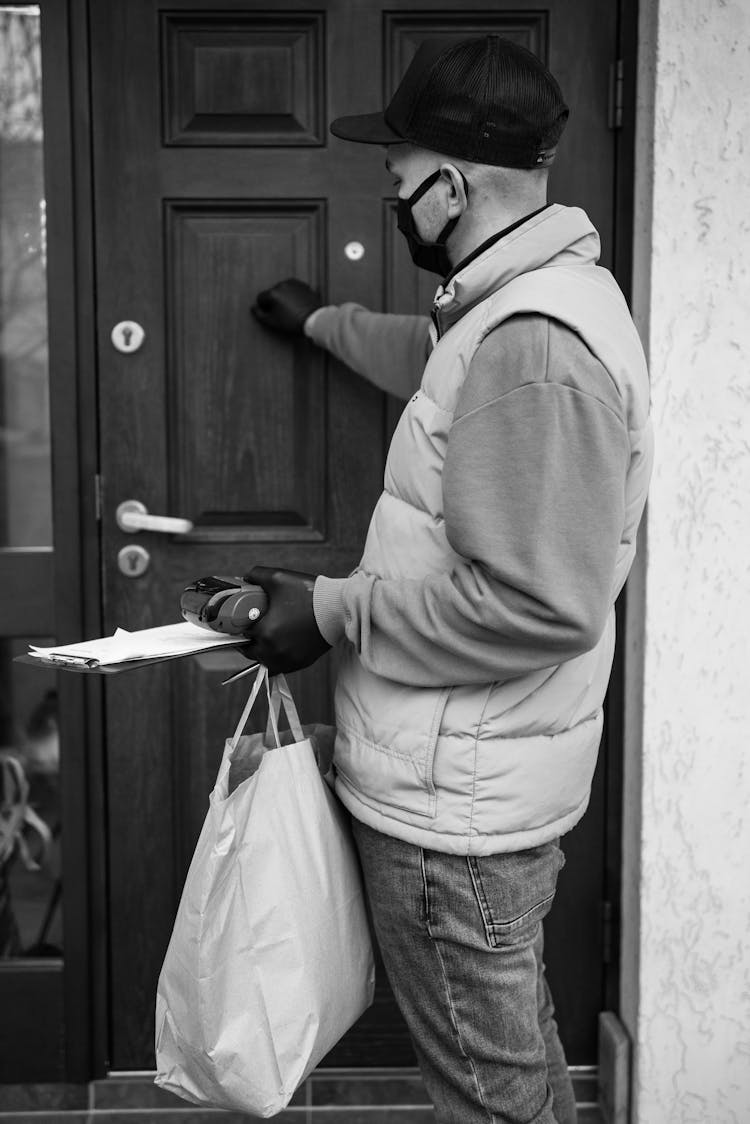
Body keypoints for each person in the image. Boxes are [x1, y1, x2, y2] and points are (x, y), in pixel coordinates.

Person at [243, 35, 653, 1124]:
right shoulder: (519, 301)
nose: (394, 201)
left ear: (452, 184)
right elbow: (439, 370)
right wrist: (325, 324)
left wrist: (329, 609)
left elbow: (537, 606)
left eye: (397, 182)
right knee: (504, 1072)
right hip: (467, 785)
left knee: (493, 1098)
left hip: (454, 818)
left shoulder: (535, 342)